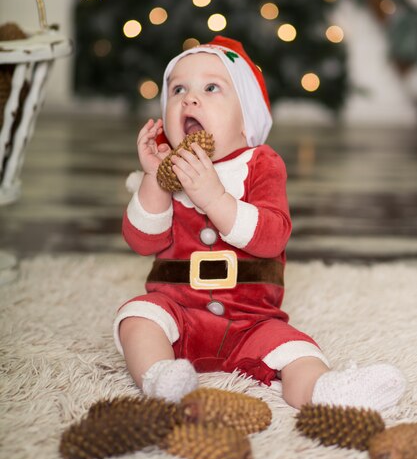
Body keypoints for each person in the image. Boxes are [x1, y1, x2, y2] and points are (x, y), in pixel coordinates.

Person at [114, 36, 406, 409]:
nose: (189, 99)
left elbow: (272, 237)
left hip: (250, 322)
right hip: (180, 313)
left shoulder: (261, 164)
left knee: (295, 349)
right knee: (137, 317)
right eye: (178, 90)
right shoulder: (169, 171)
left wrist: (214, 198)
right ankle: (160, 377)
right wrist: (154, 179)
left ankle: (325, 391)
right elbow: (143, 242)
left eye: (211, 88)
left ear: (245, 119)